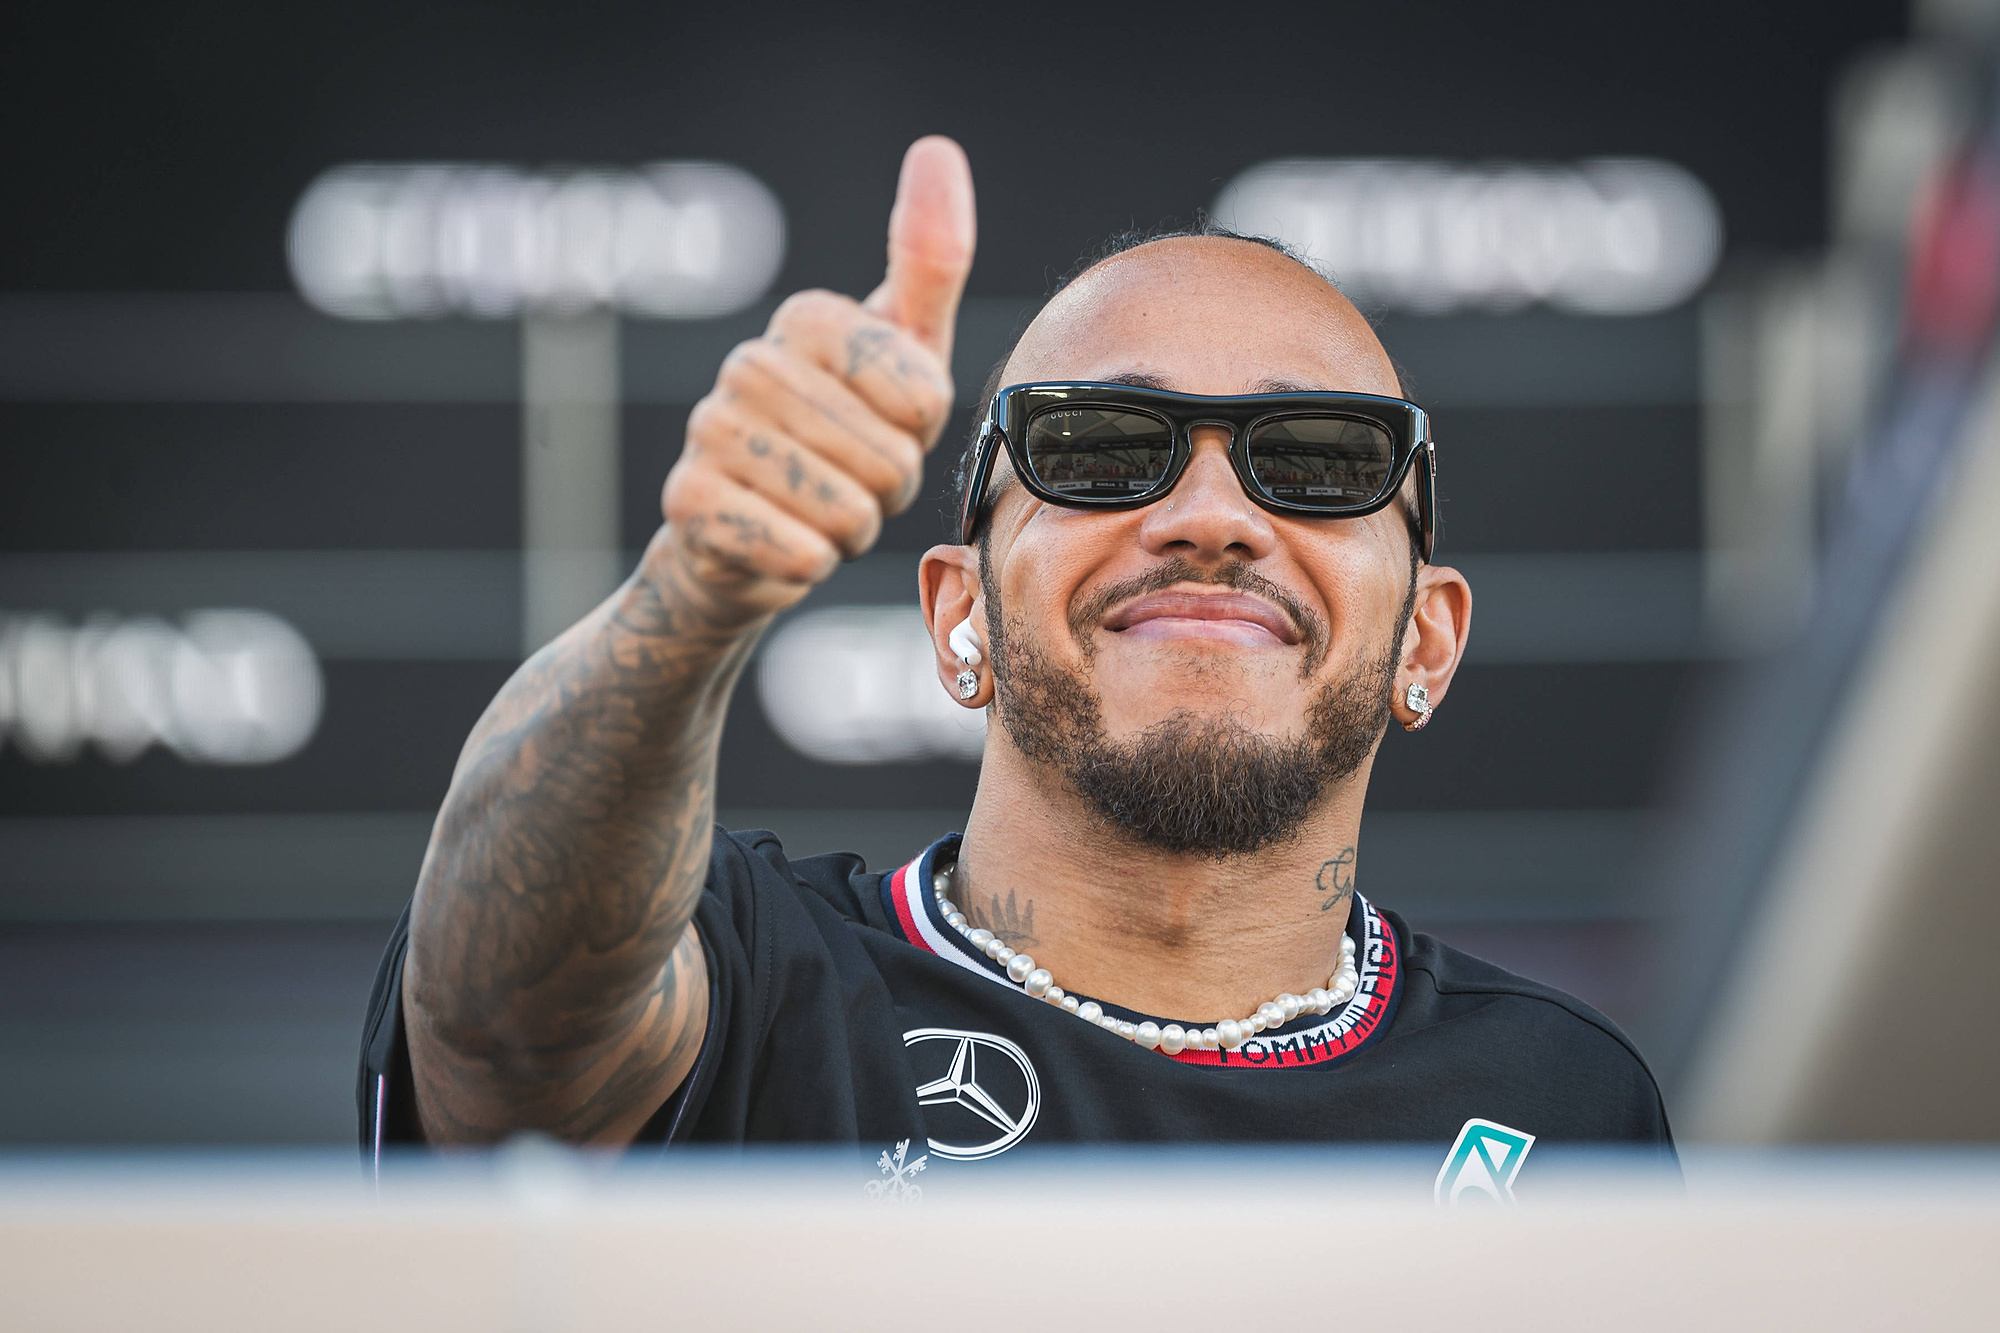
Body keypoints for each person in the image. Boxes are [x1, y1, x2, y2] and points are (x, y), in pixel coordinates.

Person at [359, 137, 1672, 1173]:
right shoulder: (754, 986)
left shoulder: (1567, 1107)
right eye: (1101, 448)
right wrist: (691, 593)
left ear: (1427, 638)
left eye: (1319, 462)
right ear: (956, 615)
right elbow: (498, 1035)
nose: (1210, 517)